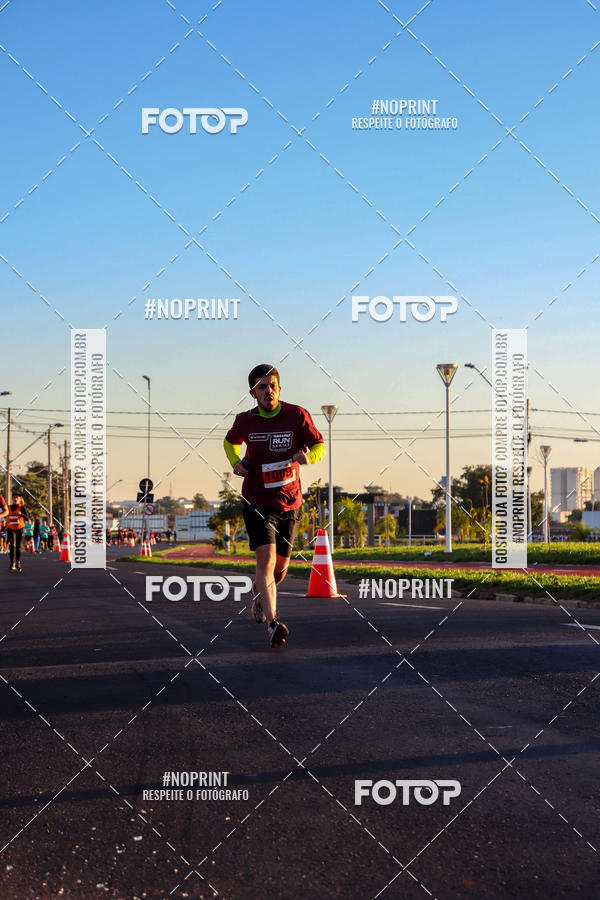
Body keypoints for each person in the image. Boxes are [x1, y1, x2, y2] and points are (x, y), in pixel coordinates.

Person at [224, 364, 325, 648]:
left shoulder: (296, 415)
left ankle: (258, 593)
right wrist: (236, 464)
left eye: (272, 385)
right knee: (266, 561)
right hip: (256, 500)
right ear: (253, 393)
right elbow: (229, 443)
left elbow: (319, 445)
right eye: (262, 387)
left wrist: (309, 458)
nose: (268, 391)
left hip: (289, 501)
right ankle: (272, 624)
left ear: (280, 388)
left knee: (280, 568)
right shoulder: (246, 420)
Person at [6, 492, 28, 572]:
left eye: (17, 498)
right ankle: (12, 563)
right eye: (14, 497)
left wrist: (21, 514)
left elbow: (27, 518)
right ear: (12, 499)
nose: (15, 499)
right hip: (10, 528)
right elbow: (4, 513)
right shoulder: (8, 507)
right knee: (12, 545)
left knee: (18, 546)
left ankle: (18, 562)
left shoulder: (21, 507)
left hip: (19, 528)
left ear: (19, 499)